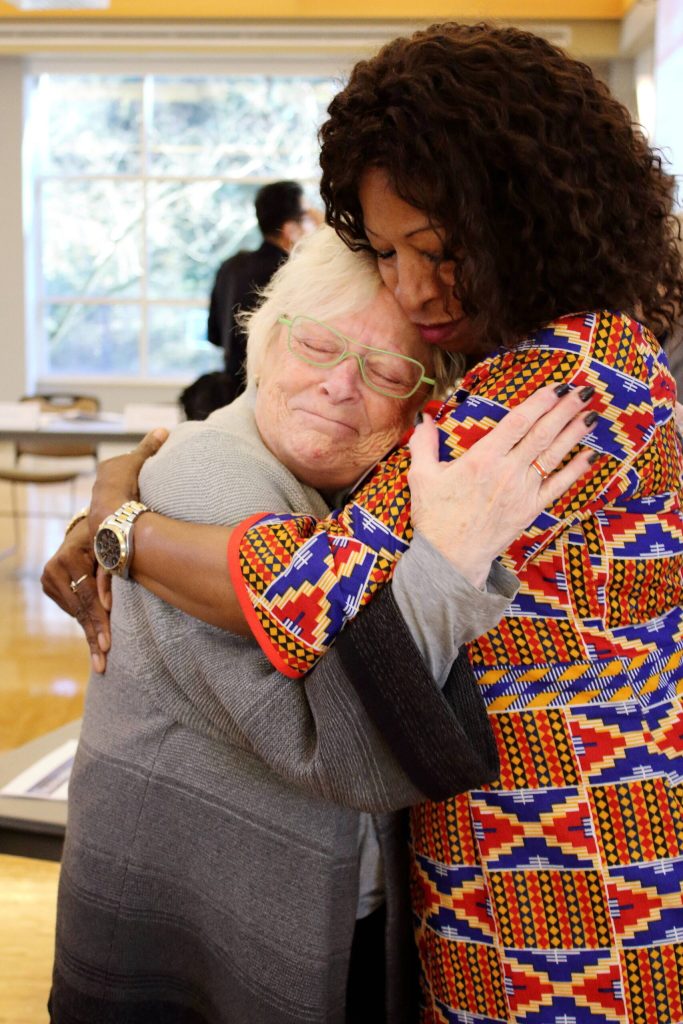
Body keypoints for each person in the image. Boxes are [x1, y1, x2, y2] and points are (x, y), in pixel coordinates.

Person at [43, 22, 683, 1023]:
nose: (414, 289)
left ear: (524, 214)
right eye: (386, 254)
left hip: (550, 874)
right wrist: (135, 468)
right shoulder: (597, 349)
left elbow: (304, 592)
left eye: (435, 249)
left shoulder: (537, 385)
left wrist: (120, 521)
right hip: (596, 826)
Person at [46, 226, 595, 1024]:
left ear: (421, 406)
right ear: (263, 347)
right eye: (316, 344)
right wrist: (451, 558)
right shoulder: (204, 477)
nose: (341, 384)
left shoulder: (361, 496)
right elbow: (350, 758)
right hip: (194, 942)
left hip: (319, 909)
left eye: (385, 369)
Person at [207, 180, 318, 387]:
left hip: (230, 391)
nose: (312, 225)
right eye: (307, 217)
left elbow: (215, 336)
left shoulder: (230, 266)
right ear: (290, 229)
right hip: (273, 391)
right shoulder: (295, 273)